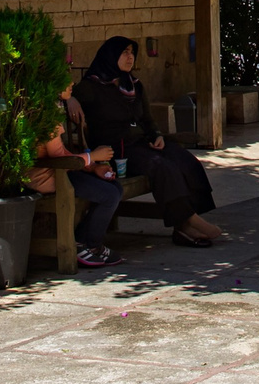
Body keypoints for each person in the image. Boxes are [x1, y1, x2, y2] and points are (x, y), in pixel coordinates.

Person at [72, 36, 225, 246]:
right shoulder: (91, 86)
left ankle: (185, 225)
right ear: (110, 55)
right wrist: (69, 99)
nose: (130, 57)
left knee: (185, 160)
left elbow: (147, 119)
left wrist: (157, 136)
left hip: (140, 143)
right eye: (124, 52)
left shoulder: (134, 85)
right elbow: (65, 94)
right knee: (161, 167)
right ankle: (189, 221)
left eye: (132, 52)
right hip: (114, 150)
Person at [32, 86, 124, 269]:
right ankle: (87, 243)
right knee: (109, 194)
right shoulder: (44, 114)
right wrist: (93, 157)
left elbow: (61, 152)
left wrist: (93, 167)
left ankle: (86, 241)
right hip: (49, 176)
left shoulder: (52, 108)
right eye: (65, 79)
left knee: (115, 187)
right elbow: (59, 158)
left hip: (62, 171)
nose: (72, 83)